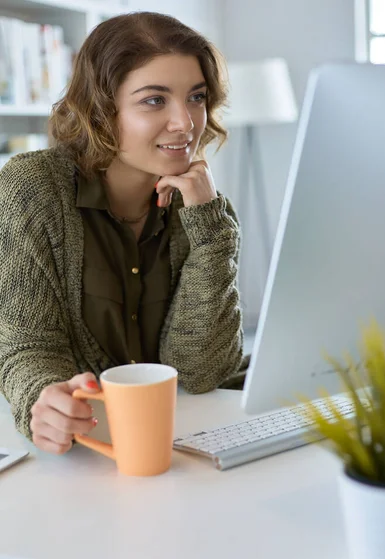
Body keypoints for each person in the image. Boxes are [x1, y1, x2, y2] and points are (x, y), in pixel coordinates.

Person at [0, 11, 245, 455]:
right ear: (101, 109)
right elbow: (27, 347)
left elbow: (199, 372)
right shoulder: (31, 191)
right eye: (155, 100)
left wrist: (210, 233)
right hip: (85, 451)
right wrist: (43, 398)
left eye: (196, 97)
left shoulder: (203, 207)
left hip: (177, 443)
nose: (186, 123)